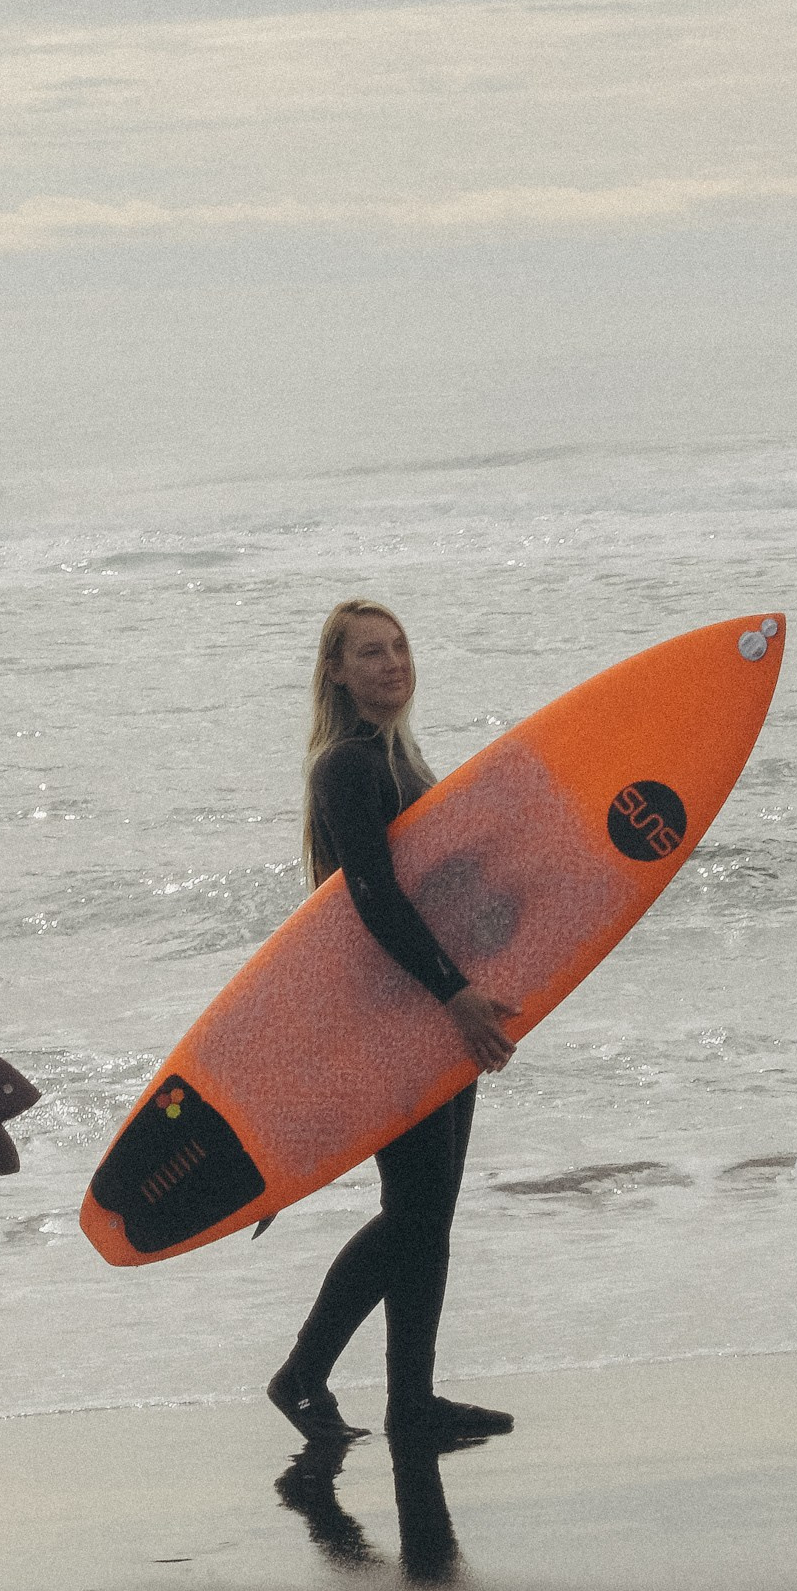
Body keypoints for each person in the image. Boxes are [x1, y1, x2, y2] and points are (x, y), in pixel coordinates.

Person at [263, 599, 520, 1447]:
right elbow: (374, 897)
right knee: (414, 1212)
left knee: (428, 1212)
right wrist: (454, 992)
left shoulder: (400, 761)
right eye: (370, 652)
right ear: (336, 671)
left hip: (433, 1009)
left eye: (400, 646)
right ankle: (305, 1373)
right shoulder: (346, 766)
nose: (392, 662)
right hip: (393, 1013)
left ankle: (413, 1399)